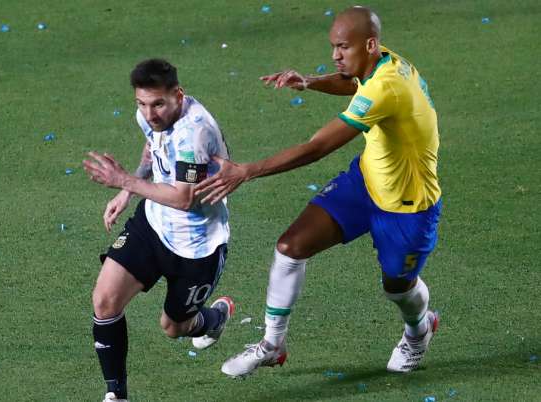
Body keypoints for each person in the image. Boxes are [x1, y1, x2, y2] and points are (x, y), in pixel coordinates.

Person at [194, 6, 442, 377]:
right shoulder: (380, 63)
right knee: (290, 246)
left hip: (408, 205)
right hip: (367, 181)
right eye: (333, 46)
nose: (335, 55)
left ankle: (419, 329)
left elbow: (317, 148)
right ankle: (273, 343)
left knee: (397, 285)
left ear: (370, 44)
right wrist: (310, 81)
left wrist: (247, 171)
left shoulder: (387, 88)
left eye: (343, 47)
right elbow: (352, 81)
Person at [83, 58, 235, 402]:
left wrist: (126, 181)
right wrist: (127, 191)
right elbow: (152, 145)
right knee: (105, 300)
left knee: (173, 327)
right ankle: (116, 395)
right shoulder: (152, 116)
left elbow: (184, 199)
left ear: (178, 95)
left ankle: (212, 318)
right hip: (152, 225)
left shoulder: (194, 133)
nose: (150, 114)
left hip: (198, 247)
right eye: (142, 103)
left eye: (158, 104)